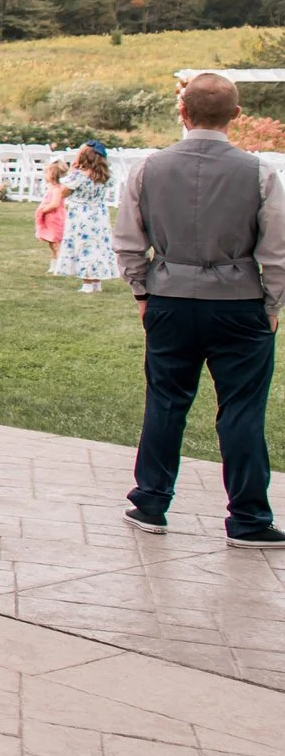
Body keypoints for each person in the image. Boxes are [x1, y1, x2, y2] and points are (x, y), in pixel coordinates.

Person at [114, 73, 285, 545]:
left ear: (182, 112)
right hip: (239, 303)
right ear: (236, 115)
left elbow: (128, 243)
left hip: (169, 297)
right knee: (242, 410)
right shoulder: (258, 171)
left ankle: (150, 500)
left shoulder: (148, 168)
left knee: (166, 402)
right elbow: (277, 250)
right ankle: (248, 519)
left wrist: (142, 294)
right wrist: (272, 303)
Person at [51, 142, 117, 293]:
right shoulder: (105, 175)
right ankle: (97, 281)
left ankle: (87, 282)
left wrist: (72, 171)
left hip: (81, 215)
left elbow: (63, 192)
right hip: (99, 214)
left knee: (84, 246)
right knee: (98, 245)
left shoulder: (79, 175)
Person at [34, 158, 68, 267]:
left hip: (55, 218)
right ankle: (54, 263)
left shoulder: (57, 189)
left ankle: (60, 264)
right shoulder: (51, 188)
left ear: (53, 174)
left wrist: (43, 209)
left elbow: (55, 204)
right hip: (49, 219)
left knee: (56, 242)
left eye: (47, 172)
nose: (45, 175)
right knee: (51, 243)